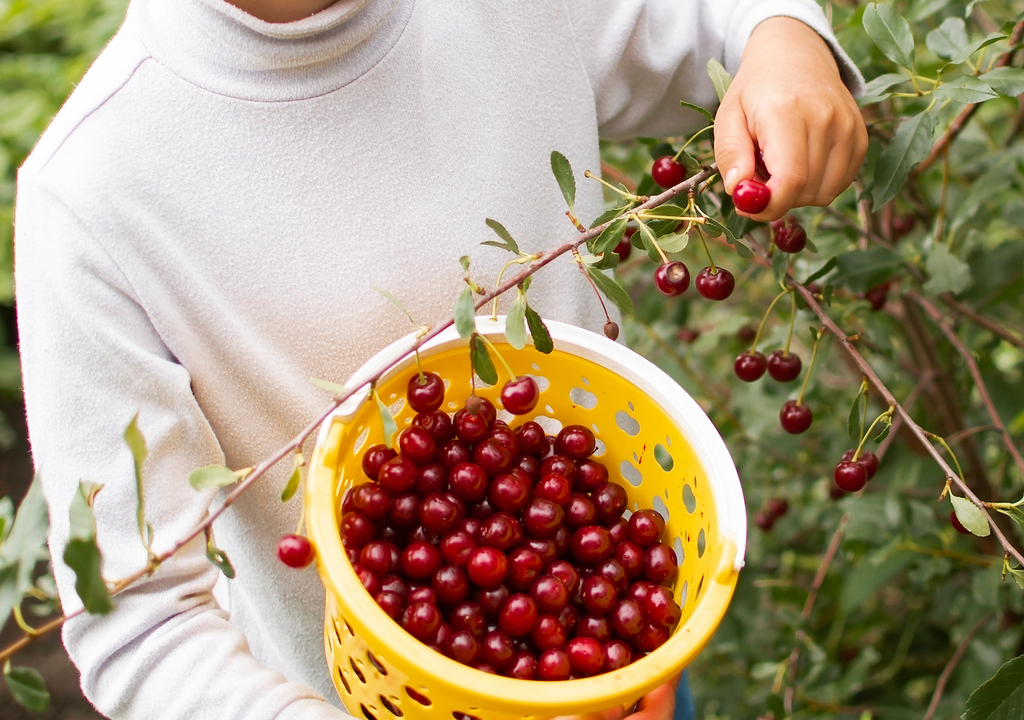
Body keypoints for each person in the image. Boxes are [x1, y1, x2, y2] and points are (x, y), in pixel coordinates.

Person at [13, 0, 866, 718]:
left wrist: (782, 35)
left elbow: (717, 25)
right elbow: (140, 625)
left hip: (623, 672)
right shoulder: (93, 195)